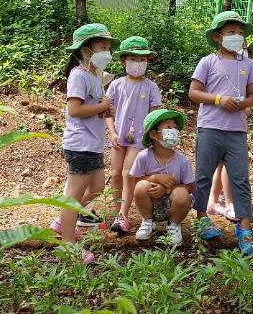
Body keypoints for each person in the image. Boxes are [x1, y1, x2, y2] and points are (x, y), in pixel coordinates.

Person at [188, 10, 253, 256]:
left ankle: (244, 229)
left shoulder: (248, 64)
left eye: (240, 33)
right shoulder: (207, 62)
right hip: (210, 127)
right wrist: (219, 99)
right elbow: (194, 92)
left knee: (240, 178)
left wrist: (245, 103)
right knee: (203, 175)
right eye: (231, 32)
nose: (237, 36)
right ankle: (201, 218)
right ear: (218, 36)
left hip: (237, 131)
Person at [50, 23, 118, 264]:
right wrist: (101, 107)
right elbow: (75, 109)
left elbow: (94, 107)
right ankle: (68, 244)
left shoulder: (95, 76)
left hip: (93, 143)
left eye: (109, 48)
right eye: (103, 47)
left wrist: (104, 108)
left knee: (98, 186)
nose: (107, 53)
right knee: (73, 196)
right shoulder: (78, 75)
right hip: (79, 144)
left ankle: (61, 222)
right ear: (87, 50)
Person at [105, 36, 162, 235]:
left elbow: (155, 115)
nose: (138, 63)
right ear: (124, 61)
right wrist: (112, 133)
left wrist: (154, 137)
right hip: (118, 136)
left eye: (142, 59)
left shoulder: (151, 87)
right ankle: (116, 214)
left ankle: (123, 215)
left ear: (147, 61)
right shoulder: (116, 85)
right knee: (115, 174)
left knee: (128, 173)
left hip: (140, 137)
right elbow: (108, 112)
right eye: (133, 59)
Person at [130, 109, 196, 247]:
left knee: (182, 194)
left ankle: (173, 225)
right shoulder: (144, 156)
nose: (173, 130)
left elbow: (190, 186)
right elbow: (136, 181)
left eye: (175, 128)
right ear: (154, 134)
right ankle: (148, 222)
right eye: (168, 127)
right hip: (151, 202)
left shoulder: (182, 161)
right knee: (141, 186)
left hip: (174, 204)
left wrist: (166, 189)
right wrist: (155, 177)